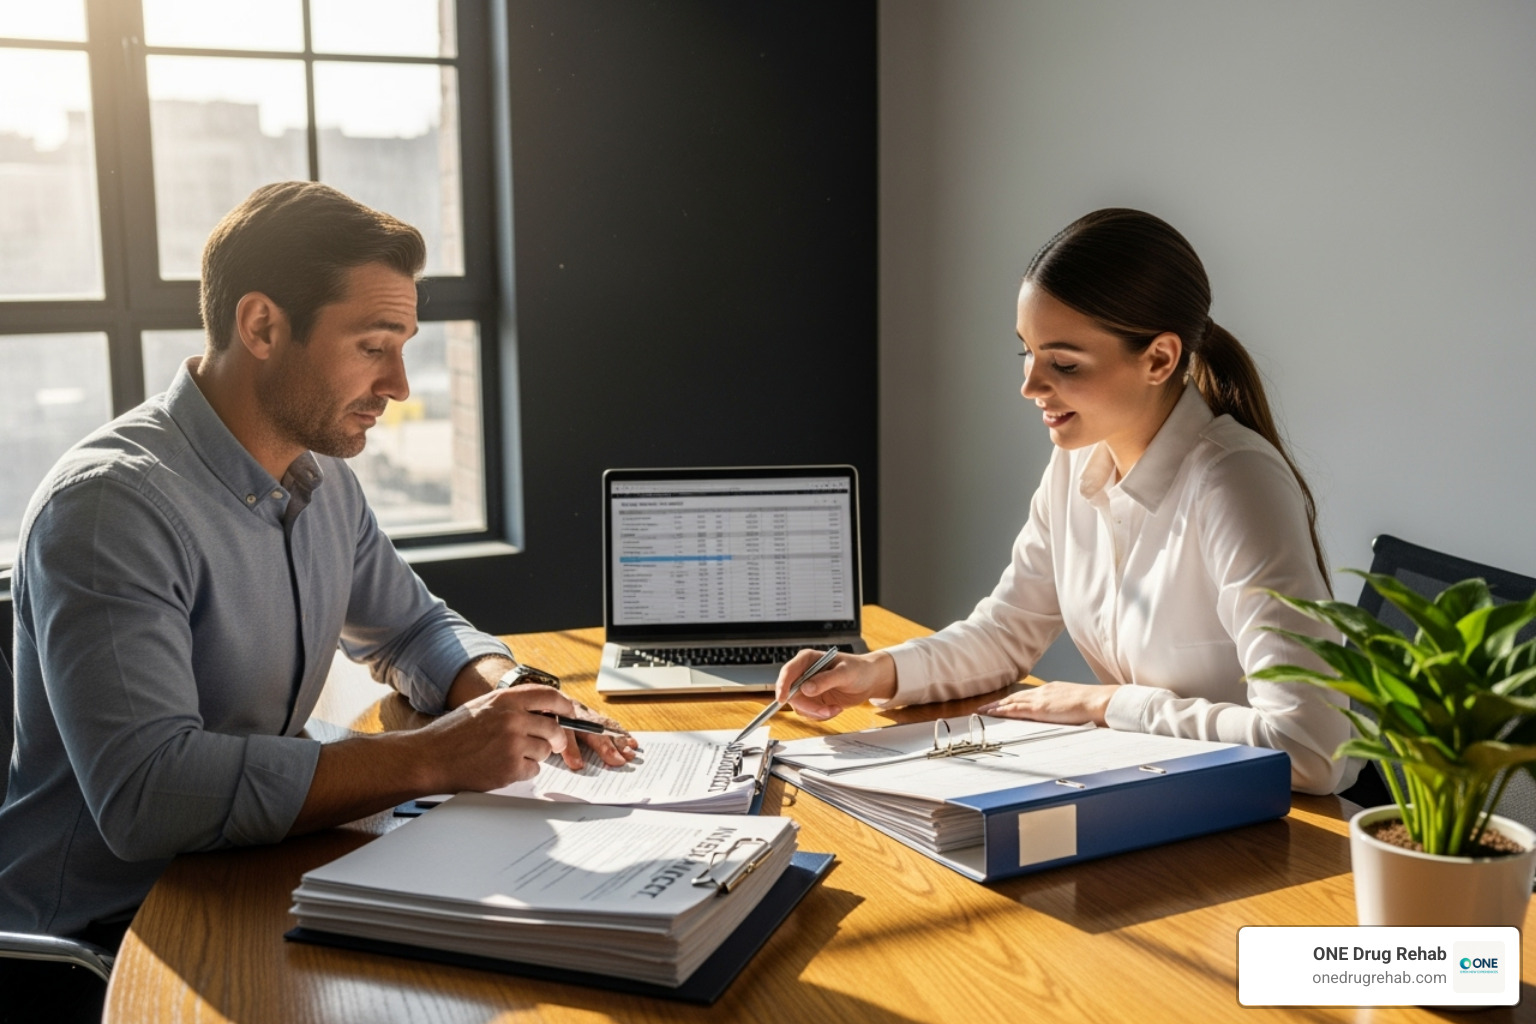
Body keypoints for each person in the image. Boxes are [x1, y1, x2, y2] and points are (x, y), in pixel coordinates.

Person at [0, 182, 636, 952]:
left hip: (261, 875)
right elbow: (150, 797)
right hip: (109, 940)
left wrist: (512, 693)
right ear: (263, 326)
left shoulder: (321, 474)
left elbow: (411, 628)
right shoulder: (110, 509)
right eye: (373, 347)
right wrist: (437, 755)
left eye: (403, 348)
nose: (398, 386)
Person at [775, 208, 1358, 796]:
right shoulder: (1078, 461)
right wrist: (877, 671)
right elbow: (1005, 633)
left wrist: (1108, 705)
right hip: (1155, 789)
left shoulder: (1235, 483)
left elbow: (1311, 749)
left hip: (1271, 821)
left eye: (1064, 363)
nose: (1030, 385)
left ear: (1159, 359)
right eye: (1026, 352)